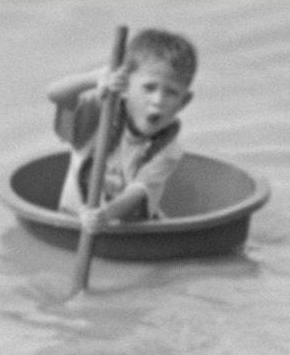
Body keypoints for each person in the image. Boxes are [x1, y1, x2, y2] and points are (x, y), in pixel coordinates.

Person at [47, 28, 197, 232]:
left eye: (171, 92)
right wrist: (94, 77)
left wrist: (104, 215)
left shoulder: (168, 148)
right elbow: (55, 93)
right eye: (149, 88)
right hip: (71, 224)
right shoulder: (100, 113)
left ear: (184, 102)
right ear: (125, 87)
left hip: (130, 235)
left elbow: (136, 193)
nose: (158, 101)